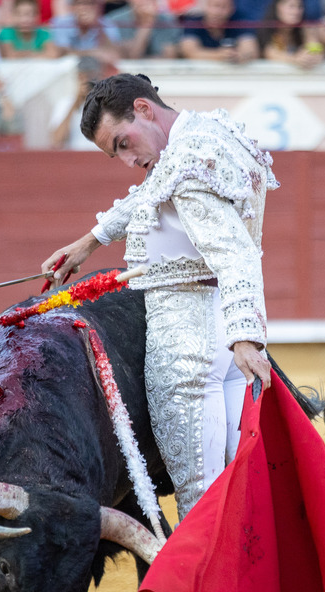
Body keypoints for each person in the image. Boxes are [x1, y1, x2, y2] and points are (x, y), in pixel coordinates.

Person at [43, 73, 274, 520]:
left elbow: (234, 251)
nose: (127, 160)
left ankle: (211, 590)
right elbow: (153, 192)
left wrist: (247, 334)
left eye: (123, 143)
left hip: (188, 345)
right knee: (235, 480)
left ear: (144, 110)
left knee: (199, 494)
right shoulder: (207, 134)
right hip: (220, 337)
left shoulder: (183, 165)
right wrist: (90, 240)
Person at [179, 0, 259, 61]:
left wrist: (239, 56)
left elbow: (251, 51)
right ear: (204, 6)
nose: (218, 12)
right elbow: (188, 52)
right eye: (215, 6)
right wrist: (219, 55)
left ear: (232, 8)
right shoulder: (194, 21)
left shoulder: (239, 21)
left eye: (224, 7)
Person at [256, 0, 325, 67]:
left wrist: (313, 56)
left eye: (299, 7)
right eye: (291, 6)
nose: (296, 11)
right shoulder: (268, 29)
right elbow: (270, 53)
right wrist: (295, 59)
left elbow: (318, 51)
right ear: (278, 7)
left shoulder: (305, 30)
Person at [105, 0, 182, 58]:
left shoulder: (168, 21)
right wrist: (146, 24)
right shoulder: (113, 20)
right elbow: (132, 55)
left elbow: (169, 56)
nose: (144, 1)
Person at [48, 0, 121, 57]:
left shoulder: (107, 24)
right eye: (80, 3)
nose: (84, 7)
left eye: (90, 3)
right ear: (72, 7)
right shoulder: (61, 23)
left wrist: (97, 26)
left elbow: (114, 52)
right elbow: (62, 53)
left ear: (98, 6)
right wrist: (94, 53)